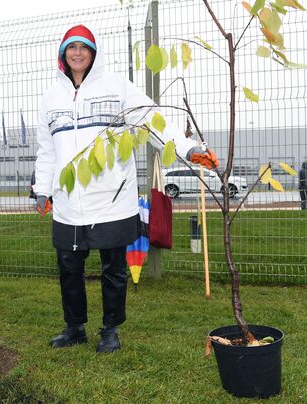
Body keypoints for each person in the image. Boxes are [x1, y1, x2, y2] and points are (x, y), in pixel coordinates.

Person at [34, 25, 218, 353]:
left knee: (113, 268)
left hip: (112, 198)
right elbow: (47, 149)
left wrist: (188, 148)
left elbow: (152, 119)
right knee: (68, 268)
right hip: (68, 201)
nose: (77, 53)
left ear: (94, 52)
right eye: (71, 47)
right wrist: (42, 189)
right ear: (63, 53)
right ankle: (74, 327)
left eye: (84, 47)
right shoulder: (50, 98)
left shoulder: (117, 86)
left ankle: (110, 330)